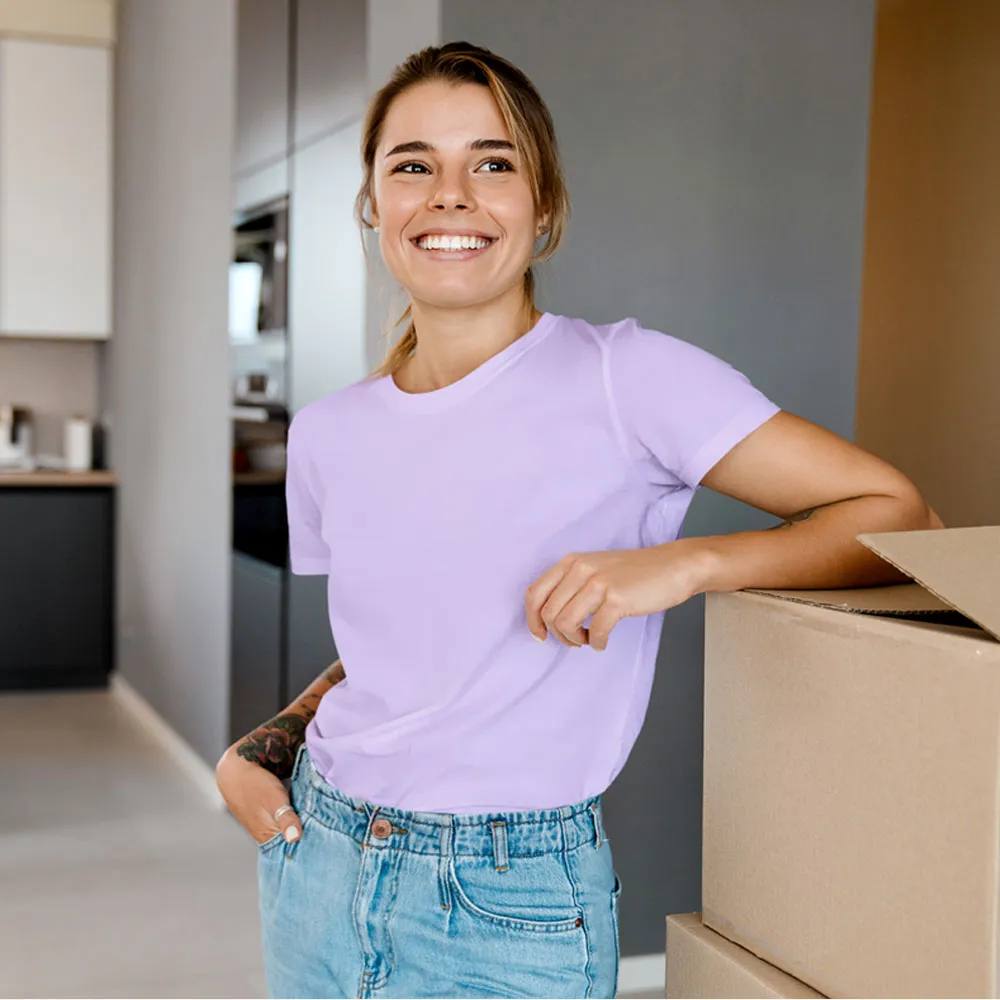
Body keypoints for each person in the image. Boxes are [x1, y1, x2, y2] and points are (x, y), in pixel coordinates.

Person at [215, 41, 942, 1000]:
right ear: (375, 207)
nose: (450, 194)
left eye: (492, 162)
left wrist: (682, 565)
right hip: (319, 861)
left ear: (544, 205)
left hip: (509, 899)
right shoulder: (328, 434)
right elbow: (403, 655)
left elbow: (903, 517)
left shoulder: (628, 378)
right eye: (412, 165)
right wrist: (262, 746)